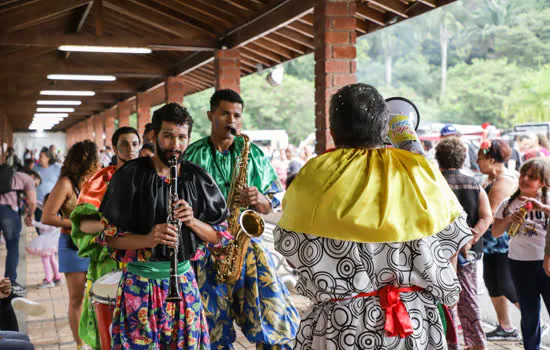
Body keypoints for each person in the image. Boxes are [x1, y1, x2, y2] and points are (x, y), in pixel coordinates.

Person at [274, 84, 471, 350]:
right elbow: (453, 243)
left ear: (332, 132)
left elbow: (291, 251)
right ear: (384, 128)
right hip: (412, 323)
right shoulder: (419, 171)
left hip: (342, 327)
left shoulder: (315, 175)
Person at [97, 103, 230, 349]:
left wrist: (191, 221)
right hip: (139, 284)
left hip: (184, 283)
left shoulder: (197, 178)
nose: (175, 145)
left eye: (181, 137)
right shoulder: (129, 176)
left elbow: (219, 236)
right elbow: (109, 238)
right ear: (154, 136)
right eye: (168, 136)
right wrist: (148, 239)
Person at [184, 89, 299, 349]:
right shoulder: (192, 155)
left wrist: (259, 199)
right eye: (225, 113)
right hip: (204, 252)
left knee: (277, 322)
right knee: (211, 333)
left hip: (245, 247)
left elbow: (273, 203)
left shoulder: (254, 154)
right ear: (210, 115)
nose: (231, 120)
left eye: (237, 115)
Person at [70, 126, 141, 349]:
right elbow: (83, 225)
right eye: (124, 144)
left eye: (134, 144)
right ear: (114, 147)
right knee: (108, 331)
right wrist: (114, 228)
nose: (130, 149)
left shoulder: (151, 176)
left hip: (143, 263)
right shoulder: (102, 180)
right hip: (107, 265)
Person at [435, 137, 493, 350]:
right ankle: (477, 343)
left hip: (439, 253)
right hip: (468, 254)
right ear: (462, 159)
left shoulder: (434, 184)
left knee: (444, 297)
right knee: (468, 297)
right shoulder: (474, 183)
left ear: (438, 158)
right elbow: (487, 217)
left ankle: (451, 344)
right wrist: (471, 237)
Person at [41, 141, 99, 350]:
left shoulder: (97, 180)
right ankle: (79, 343)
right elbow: (47, 216)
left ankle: (98, 337)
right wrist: (78, 224)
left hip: (97, 244)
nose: (96, 162)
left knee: (98, 295)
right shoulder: (66, 183)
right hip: (73, 245)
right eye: (94, 158)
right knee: (77, 298)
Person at [493, 158, 550, 350]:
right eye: (523, 175)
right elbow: (495, 232)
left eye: (532, 177)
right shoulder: (508, 203)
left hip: (546, 263)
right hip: (520, 264)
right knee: (529, 314)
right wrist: (510, 218)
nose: (525, 179)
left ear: (542, 182)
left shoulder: (547, 201)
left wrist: (543, 209)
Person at [476, 140, 522, 341]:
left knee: (506, 285)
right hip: (492, 246)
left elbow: (491, 217)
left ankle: (535, 322)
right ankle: (506, 327)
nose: (477, 162)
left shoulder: (502, 183)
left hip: (502, 244)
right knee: (492, 283)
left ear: (491, 160)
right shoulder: (490, 179)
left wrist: (473, 234)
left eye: (480, 158)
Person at [0, 165, 36, 294]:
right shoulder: (26, 179)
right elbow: (32, 202)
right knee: (12, 247)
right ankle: (10, 283)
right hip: (8, 213)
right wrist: (30, 215)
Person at [27, 193, 62, 289]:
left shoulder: (52, 213)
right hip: (51, 239)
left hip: (48, 240)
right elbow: (40, 206)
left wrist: (34, 223)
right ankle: (58, 277)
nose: (44, 204)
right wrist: (33, 202)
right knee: (51, 259)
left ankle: (48, 280)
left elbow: (46, 225)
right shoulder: (53, 210)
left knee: (45, 259)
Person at [34, 147, 61, 234]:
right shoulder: (35, 169)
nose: (39, 158)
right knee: (39, 228)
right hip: (38, 204)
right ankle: (43, 245)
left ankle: (51, 247)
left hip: (53, 204)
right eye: (39, 156)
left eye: (41, 156)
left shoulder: (57, 169)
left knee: (53, 230)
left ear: (48, 158)